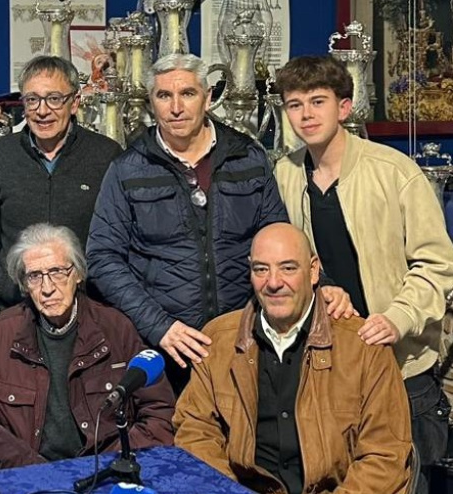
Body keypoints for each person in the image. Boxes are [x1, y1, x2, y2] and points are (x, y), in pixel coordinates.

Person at [86, 53, 352, 395]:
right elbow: (103, 259)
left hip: (243, 339)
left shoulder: (247, 157)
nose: (176, 107)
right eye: (164, 96)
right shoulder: (127, 168)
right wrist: (160, 327)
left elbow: (281, 239)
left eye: (188, 94)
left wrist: (321, 283)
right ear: (151, 103)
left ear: (208, 97)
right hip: (167, 349)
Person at [273, 55, 453, 491]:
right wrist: (324, 292)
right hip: (331, 368)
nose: (306, 115)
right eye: (295, 105)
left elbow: (438, 264)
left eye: (318, 101)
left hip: (402, 367)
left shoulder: (394, 172)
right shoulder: (285, 173)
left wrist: (397, 318)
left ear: (345, 107)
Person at [173, 223, 412, 494]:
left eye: (288, 268)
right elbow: (195, 430)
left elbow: (385, 456)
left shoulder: (364, 347)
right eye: (261, 269)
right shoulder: (219, 341)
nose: (274, 283)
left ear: (313, 271)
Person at [0, 223, 176, 469]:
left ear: (78, 274)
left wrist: (108, 463)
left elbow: (159, 411)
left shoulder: (116, 328)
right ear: (24, 285)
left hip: (105, 474)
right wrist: (31, 466)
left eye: (57, 272)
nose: (48, 288)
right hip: (28, 475)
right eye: (35, 276)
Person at [0, 55, 122, 333]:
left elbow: (120, 242)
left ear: (74, 103)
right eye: (32, 100)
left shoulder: (105, 156)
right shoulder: (1, 155)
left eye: (54, 99)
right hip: (13, 312)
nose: (42, 111)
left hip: (88, 314)